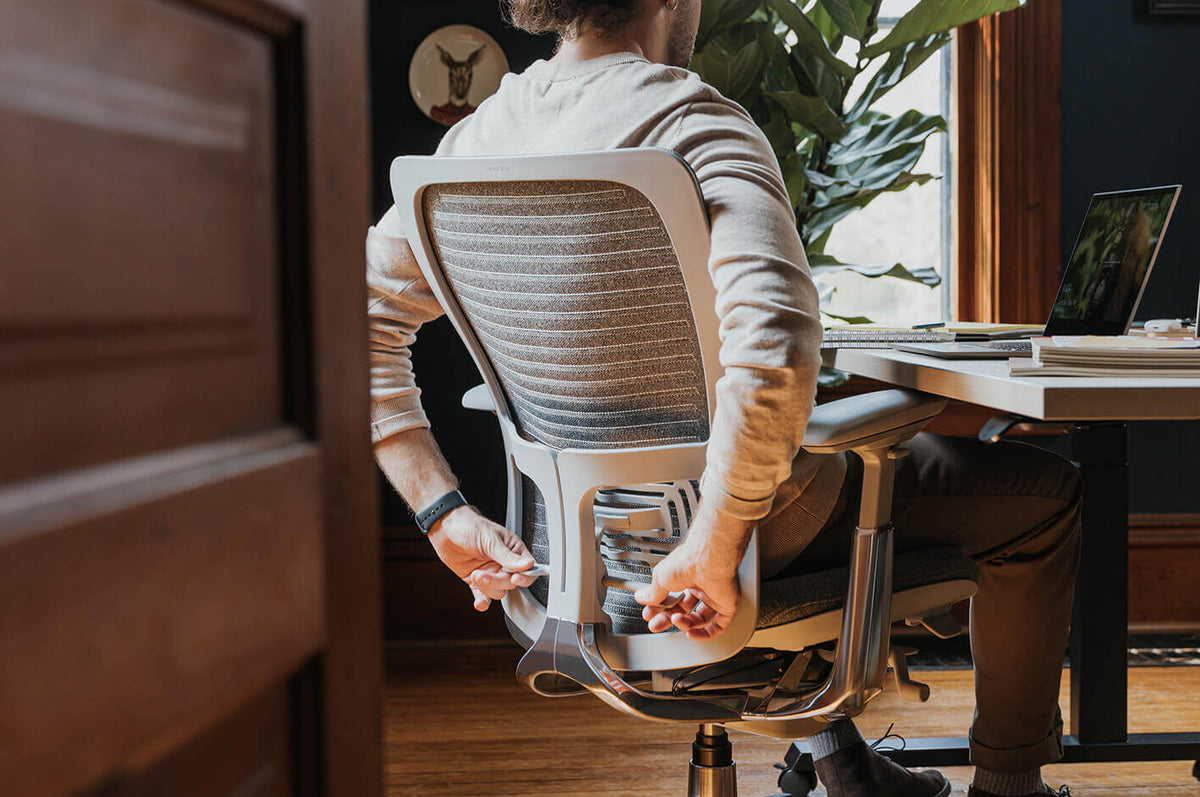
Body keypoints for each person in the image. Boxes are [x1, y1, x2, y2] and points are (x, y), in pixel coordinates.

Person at [367, 1, 1081, 795]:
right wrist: (713, 541)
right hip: (735, 547)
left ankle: (837, 757)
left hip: (575, 552)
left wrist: (443, 512)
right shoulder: (693, 124)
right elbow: (775, 349)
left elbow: (352, 322)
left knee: (766, 452)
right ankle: (1009, 786)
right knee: (1045, 495)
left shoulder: (474, 142)